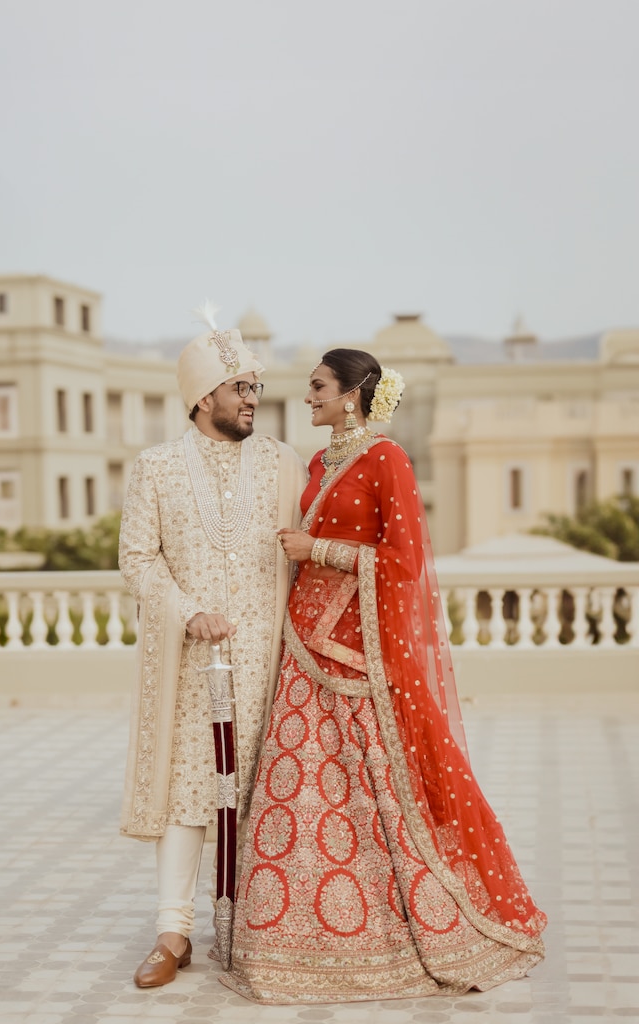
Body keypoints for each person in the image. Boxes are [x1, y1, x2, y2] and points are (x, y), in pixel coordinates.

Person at [220, 348, 547, 1004]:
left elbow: (405, 561)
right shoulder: (317, 462)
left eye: (317, 387)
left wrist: (322, 550)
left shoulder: (387, 458)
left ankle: (391, 927)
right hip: (301, 649)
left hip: (356, 655)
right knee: (296, 792)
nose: (306, 396)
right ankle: (289, 939)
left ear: (351, 394)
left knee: (373, 795)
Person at [118, 306, 307, 989]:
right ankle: (173, 932)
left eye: (256, 387)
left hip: (273, 662)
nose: (252, 399)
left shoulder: (284, 463)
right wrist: (189, 611)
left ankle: (265, 929)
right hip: (194, 663)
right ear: (204, 398)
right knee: (187, 794)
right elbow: (138, 559)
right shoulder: (157, 468)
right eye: (239, 389)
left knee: (270, 793)